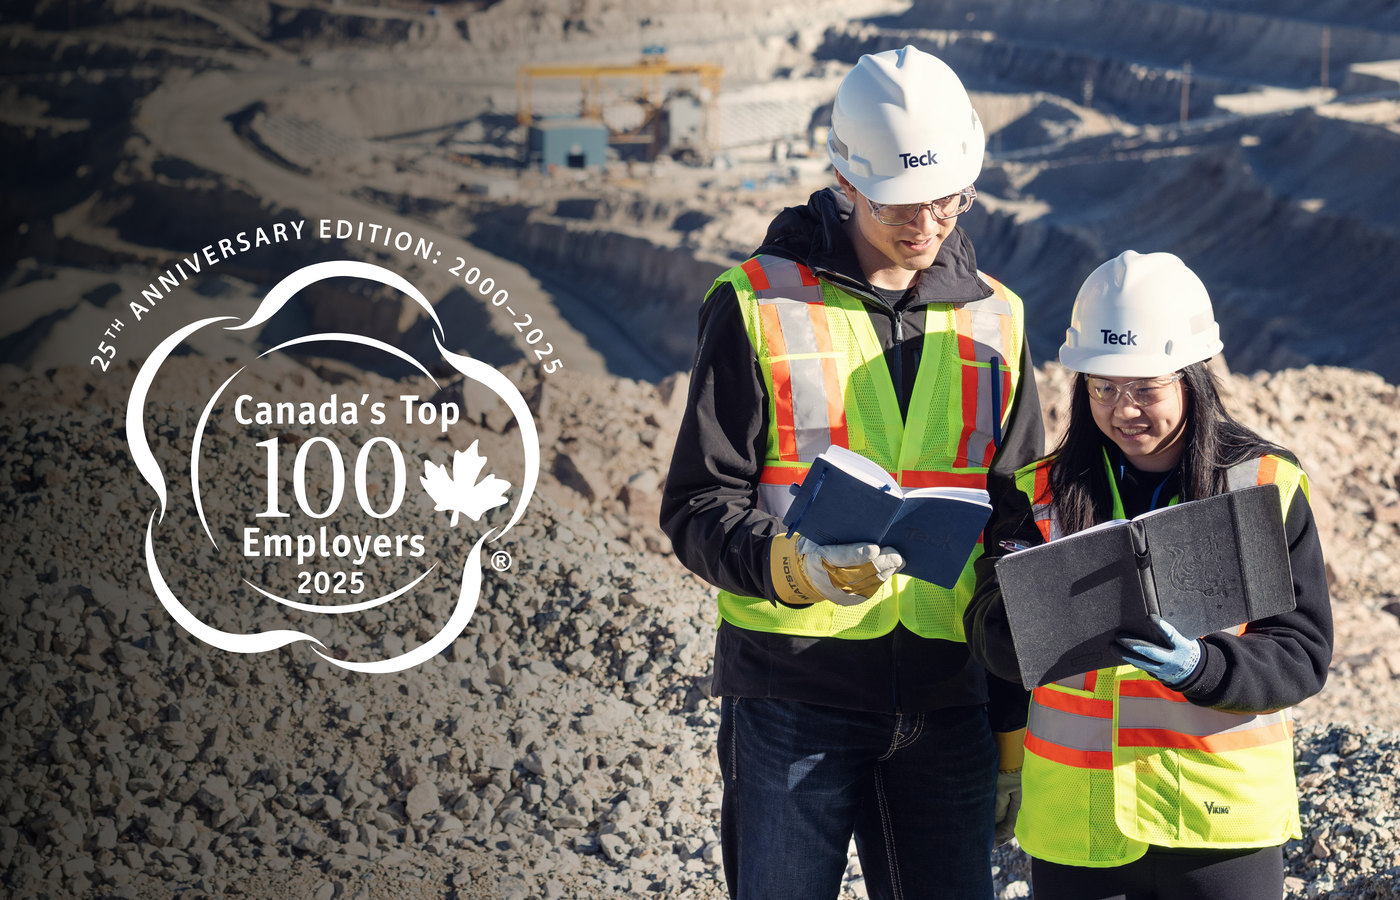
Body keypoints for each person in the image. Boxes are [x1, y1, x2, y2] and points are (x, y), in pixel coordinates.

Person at [660, 46, 1044, 899]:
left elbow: (1022, 531)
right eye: (898, 204)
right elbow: (697, 504)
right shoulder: (757, 301)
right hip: (794, 692)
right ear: (843, 180)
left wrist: (1013, 726)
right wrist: (790, 567)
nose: (926, 223)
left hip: (951, 704)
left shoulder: (1000, 319)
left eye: (947, 199)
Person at [963, 250, 1333, 900]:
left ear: (1192, 377)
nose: (1123, 409)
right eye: (1103, 387)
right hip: (1081, 827)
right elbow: (989, 640)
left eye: (1145, 387)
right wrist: (1033, 609)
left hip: (1220, 826)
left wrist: (1204, 669)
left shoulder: (1263, 487)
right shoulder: (1039, 495)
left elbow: (1300, 653)